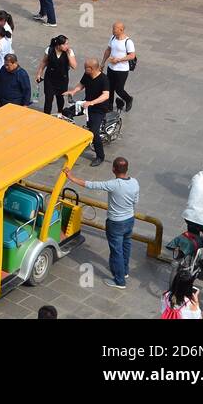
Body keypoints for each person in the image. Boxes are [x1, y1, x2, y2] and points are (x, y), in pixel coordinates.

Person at [67, 157, 139, 289]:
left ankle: (119, 280)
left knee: (116, 250)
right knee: (126, 246)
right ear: (127, 169)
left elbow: (92, 185)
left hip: (115, 223)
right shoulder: (135, 182)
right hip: (129, 220)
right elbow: (135, 202)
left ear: (113, 169)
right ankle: (124, 271)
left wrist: (72, 178)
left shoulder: (114, 184)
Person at [68, 57, 112, 166]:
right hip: (86, 104)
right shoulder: (87, 75)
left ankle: (100, 156)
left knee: (94, 132)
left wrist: (92, 102)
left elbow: (106, 95)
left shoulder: (104, 79)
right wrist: (73, 91)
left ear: (91, 69)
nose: (84, 70)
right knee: (66, 113)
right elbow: (81, 84)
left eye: (85, 68)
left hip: (98, 109)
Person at [36, 35, 76, 116]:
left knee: (60, 98)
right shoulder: (49, 50)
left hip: (62, 79)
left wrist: (68, 55)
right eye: (64, 44)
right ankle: (46, 115)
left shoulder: (69, 52)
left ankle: (59, 113)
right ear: (58, 45)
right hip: (50, 78)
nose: (67, 46)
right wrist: (39, 73)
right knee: (48, 98)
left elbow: (74, 66)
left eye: (67, 44)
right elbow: (44, 62)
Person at [103, 21, 136, 112]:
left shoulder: (128, 42)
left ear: (121, 30)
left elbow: (132, 55)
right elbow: (108, 50)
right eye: (113, 28)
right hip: (111, 68)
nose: (112, 30)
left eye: (114, 29)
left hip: (122, 70)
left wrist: (118, 60)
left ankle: (128, 99)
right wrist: (103, 63)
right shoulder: (113, 38)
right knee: (109, 88)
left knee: (119, 89)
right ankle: (109, 106)